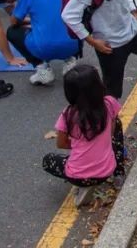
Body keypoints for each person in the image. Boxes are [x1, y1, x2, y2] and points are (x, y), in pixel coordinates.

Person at [42, 64, 125, 206]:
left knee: (48, 160)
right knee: (116, 123)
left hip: (77, 176)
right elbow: (111, 134)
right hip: (106, 170)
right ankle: (118, 173)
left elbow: (61, 144)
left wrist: (79, 146)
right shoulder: (110, 103)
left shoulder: (68, 114)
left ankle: (83, 187)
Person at [9, 0, 80, 86]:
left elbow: (14, 21)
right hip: (73, 43)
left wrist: (31, 22)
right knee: (78, 22)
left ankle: (42, 68)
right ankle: (71, 59)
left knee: (12, 32)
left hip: (43, 48)